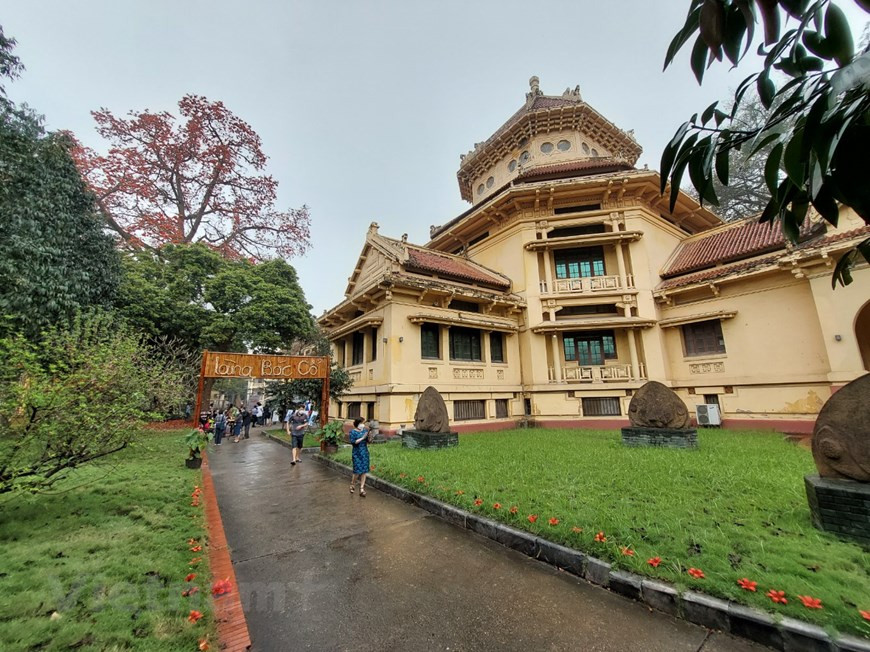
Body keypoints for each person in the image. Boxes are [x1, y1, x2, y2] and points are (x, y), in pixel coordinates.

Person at [349, 418, 370, 497]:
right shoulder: (353, 432)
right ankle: (352, 484)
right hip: (356, 453)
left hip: (364, 453)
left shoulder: (365, 431)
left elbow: (369, 441)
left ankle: (362, 488)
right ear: (358, 423)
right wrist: (362, 438)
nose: (363, 425)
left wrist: (369, 436)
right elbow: (353, 442)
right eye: (362, 423)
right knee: (357, 471)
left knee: (364, 471)